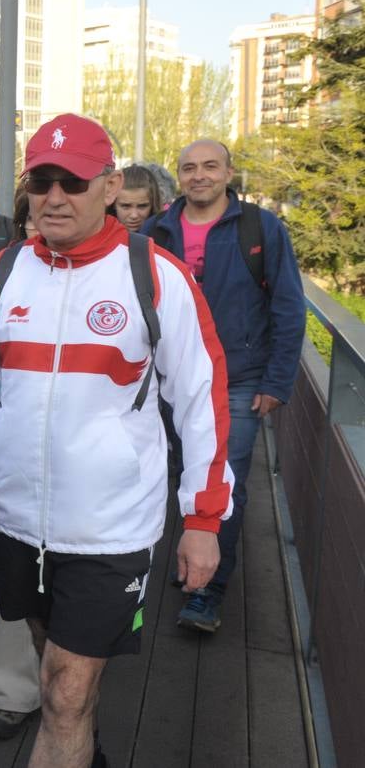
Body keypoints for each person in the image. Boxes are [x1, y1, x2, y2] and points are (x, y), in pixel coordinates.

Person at [0, 113, 232, 768]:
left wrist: (204, 519)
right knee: (61, 681)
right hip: (15, 521)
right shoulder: (2, 273)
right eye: (41, 180)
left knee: (65, 692)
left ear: (109, 186)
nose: (53, 196)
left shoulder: (156, 277)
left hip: (110, 532)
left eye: (71, 181)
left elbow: (202, 401)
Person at [144, 139, 305, 634]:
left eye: (210, 166)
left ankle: (206, 594)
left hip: (237, 380)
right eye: (189, 167)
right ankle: (194, 559)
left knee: (222, 483)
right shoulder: (158, 231)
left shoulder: (261, 228)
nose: (199, 176)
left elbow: (288, 306)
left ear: (229, 172)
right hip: (167, 382)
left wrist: (277, 380)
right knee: (174, 476)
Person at [114, 165, 162, 233]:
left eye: (142, 206)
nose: (134, 215)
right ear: (113, 204)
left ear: (153, 205)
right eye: (126, 206)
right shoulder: (98, 235)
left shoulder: (165, 239)